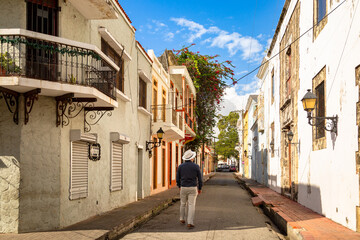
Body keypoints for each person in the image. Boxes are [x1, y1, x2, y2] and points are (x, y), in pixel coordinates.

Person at [176, 149, 203, 229]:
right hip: (193, 187)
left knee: (183, 203)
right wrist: (200, 188)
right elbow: (200, 179)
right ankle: (190, 222)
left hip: (183, 187)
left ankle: (181, 218)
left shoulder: (180, 166)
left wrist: (179, 186)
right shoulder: (196, 166)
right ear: (192, 158)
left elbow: (178, 178)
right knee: (191, 205)